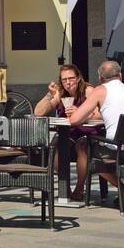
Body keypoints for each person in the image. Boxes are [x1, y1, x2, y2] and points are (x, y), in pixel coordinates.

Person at [66, 60, 124, 208]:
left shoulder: (100, 90)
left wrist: (80, 114)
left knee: (84, 146)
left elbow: (74, 120)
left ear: (100, 78)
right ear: (120, 75)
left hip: (120, 150)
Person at [35, 63, 101, 200]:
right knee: (56, 146)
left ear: (78, 78)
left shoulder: (88, 91)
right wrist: (50, 94)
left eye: (71, 78)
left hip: (87, 134)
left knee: (82, 147)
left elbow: (100, 115)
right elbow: (38, 113)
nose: (68, 83)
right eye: (64, 80)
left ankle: (79, 188)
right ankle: (65, 187)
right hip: (67, 133)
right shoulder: (60, 93)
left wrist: (81, 114)